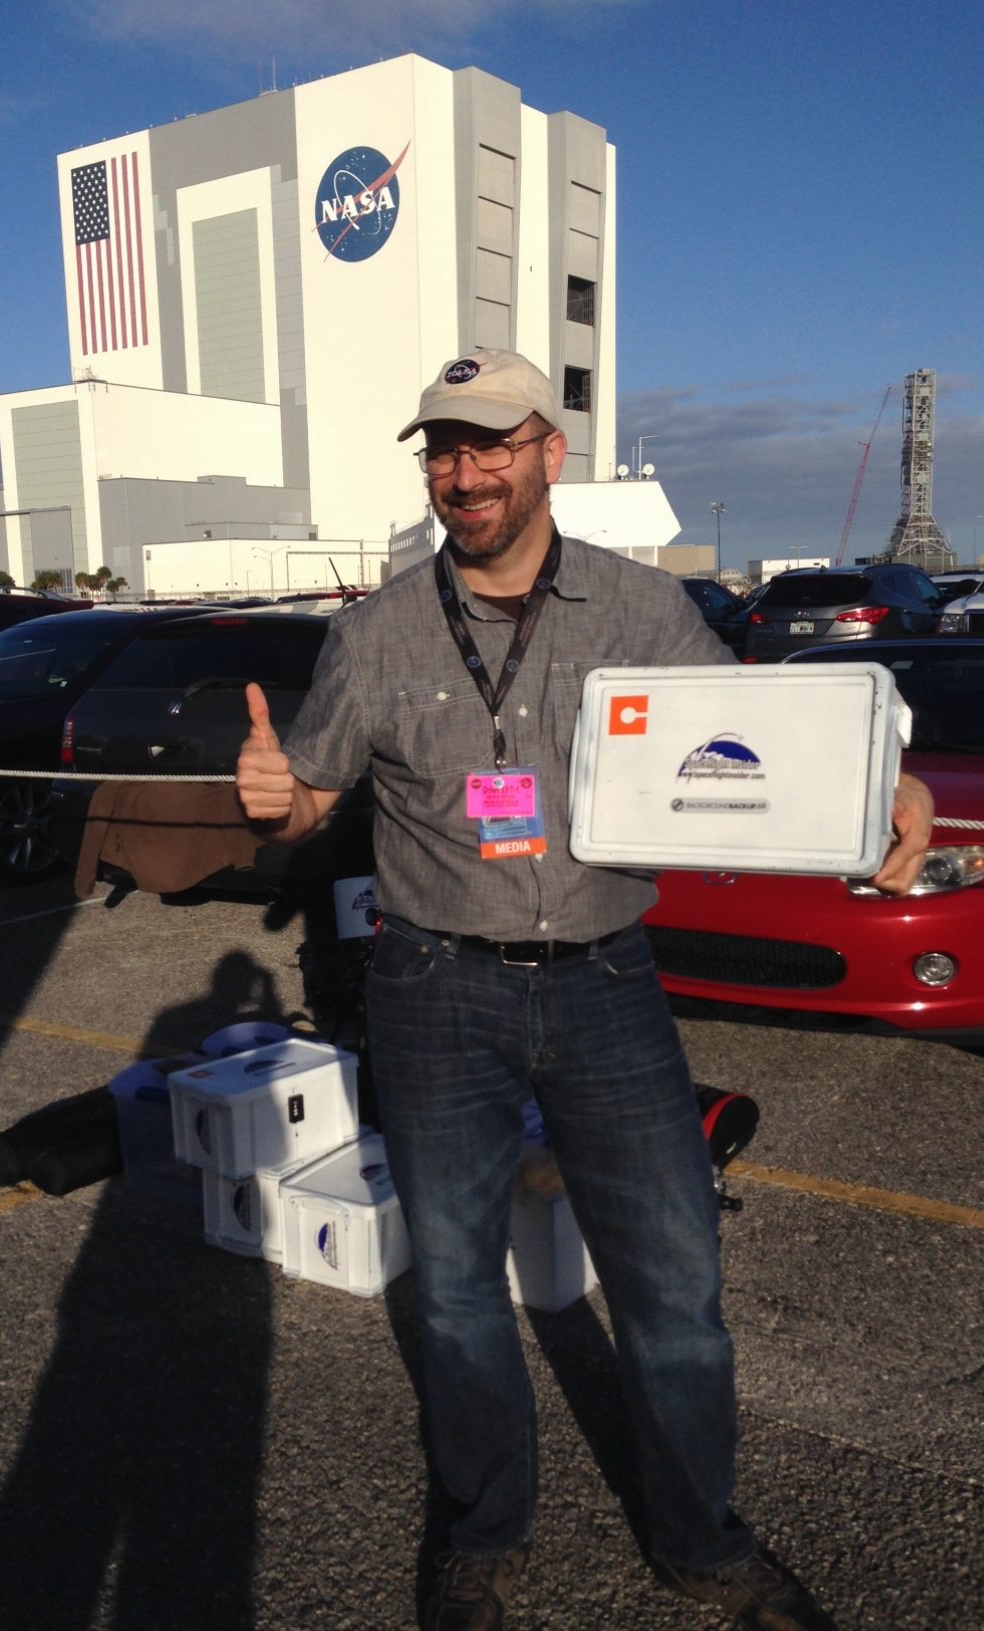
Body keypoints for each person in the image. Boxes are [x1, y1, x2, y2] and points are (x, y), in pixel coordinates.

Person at [236, 348, 934, 1631]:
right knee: (456, 1292)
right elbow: (310, 801)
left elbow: (771, 740)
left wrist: (892, 780)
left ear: (547, 452)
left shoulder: (639, 609)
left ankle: (703, 1543)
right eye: (444, 450)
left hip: (609, 982)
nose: (465, 474)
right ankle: (483, 1535)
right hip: (434, 985)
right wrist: (278, 804)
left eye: (489, 444)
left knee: (673, 1289)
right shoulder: (375, 632)